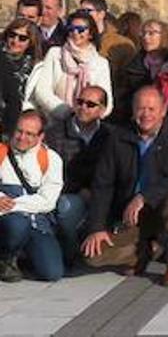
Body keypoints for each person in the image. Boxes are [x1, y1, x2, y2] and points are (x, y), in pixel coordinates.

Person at [81, 87, 168, 286]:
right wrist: (97, 227)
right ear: (133, 111)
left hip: (161, 209)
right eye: (141, 108)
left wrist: (144, 197)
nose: (146, 114)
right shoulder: (117, 138)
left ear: (163, 111)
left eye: (151, 109)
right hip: (129, 217)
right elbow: (103, 184)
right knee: (92, 255)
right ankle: (145, 252)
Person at [45, 85, 116, 267]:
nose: (83, 107)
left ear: (102, 110)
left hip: (101, 194)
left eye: (90, 104)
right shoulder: (55, 133)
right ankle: (70, 252)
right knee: (66, 207)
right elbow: (52, 174)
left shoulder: (111, 135)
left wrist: (94, 191)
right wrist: (80, 190)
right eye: (80, 102)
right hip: (69, 194)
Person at [0, 111, 65, 282]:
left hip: (37, 222)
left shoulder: (51, 159)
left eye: (30, 134)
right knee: (17, 223)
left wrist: (12, 203)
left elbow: (48, 201)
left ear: (41, 136)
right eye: (19, 131)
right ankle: (6, 258)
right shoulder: (1, 152)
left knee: (52, 273)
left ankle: (25, 256)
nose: (22, 137)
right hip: (7, 220)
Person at [26, 10, 113, 121]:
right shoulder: (55, 54)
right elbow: (42, 90)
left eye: (81, 30)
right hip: (54, 121)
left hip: (87, 123)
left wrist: (86, 114)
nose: (75, 33)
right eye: (71, 29)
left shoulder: (101, 63)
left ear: (91, 34)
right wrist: (66, 112)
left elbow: (107, 100)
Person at [113, 19, 168, 125]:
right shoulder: (134, 64)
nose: (146, 37)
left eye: (151, 33)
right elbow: (123, 95)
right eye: (143, 33)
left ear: (163, 36)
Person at [79, 0, 137, 83]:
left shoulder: (121, 43)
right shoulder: (75, 39)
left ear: (101, 14)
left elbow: (127, 79)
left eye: (87, 11)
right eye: (80, 11)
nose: (83, 15)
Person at [1, 19, 38, 133]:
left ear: (30, 42)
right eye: (12, 35)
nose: (15, 41)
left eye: (22, 38)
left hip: (23, 124)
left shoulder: (36, 67)